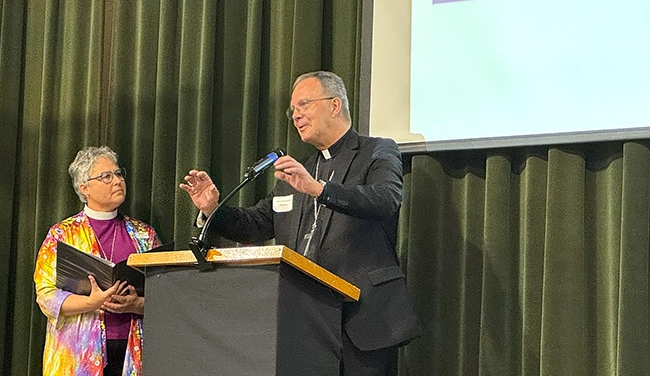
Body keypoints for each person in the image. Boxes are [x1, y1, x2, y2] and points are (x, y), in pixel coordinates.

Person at [180, 71, 422, 376]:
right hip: (303, 322)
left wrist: (320, 190)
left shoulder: (376, 150)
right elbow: (256, 224)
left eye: (304, 104)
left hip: (363, 320)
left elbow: (385, 199)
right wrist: (213, 208)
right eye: (292, 109)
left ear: (335, 105)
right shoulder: (299, 171)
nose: (296, 115)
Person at [34, 146, 162, 376]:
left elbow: (167, 294)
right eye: (106, 176)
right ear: (85, 188)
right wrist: (92, 302)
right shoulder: (62, 235)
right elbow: (45, 295)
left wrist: (136, 304)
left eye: (119, 174)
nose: (117, 181)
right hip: (78, 354)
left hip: (134, 350)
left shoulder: (144, 234)